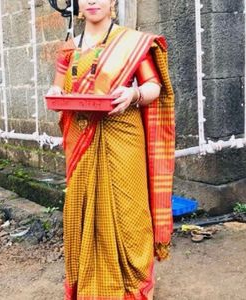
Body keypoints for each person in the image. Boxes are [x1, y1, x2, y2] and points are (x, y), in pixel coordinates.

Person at [47, 0, 175, 299]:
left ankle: (135, 285)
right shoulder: (69, 47)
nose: (92, 1)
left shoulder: (131, 42)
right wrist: (55, 93)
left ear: (113, 2)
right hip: (81, 136)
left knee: (129, 207)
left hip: (124, 135)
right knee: (82, 205)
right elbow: (58, 88)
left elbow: (154, 86)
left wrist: (133, 93)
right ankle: (89, 286)